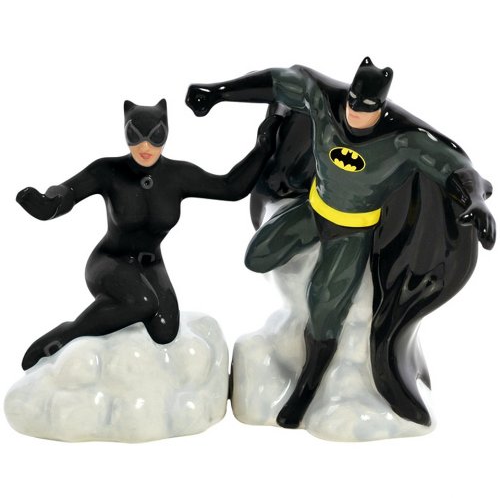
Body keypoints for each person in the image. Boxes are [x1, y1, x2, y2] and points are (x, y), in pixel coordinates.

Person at [186, 57, 496, 428]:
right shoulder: (325, 101)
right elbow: (279, 81)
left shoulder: (403, 139)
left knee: (325, 308)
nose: (354, 114)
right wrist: (219, 92)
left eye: (365, 110)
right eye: (352, 104)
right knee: (257, 256)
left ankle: (307, 387)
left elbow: (458, 168)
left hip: (352, 233)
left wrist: (475, 202)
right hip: (313, 210)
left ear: (380, 108)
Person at [17, 98, 281, 370]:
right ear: (125, 134)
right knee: (142, 302)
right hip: (110, 261)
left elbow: (229, 188)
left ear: (166, 133)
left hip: (151, 264)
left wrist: (262, 149)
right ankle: (67, 335)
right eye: (135, 136)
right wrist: (49, 204)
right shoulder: (108, 171)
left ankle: (115, 326)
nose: (145, 147)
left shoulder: (177, 175)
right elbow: (69, 191)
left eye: (155, 137)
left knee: (165, 330)